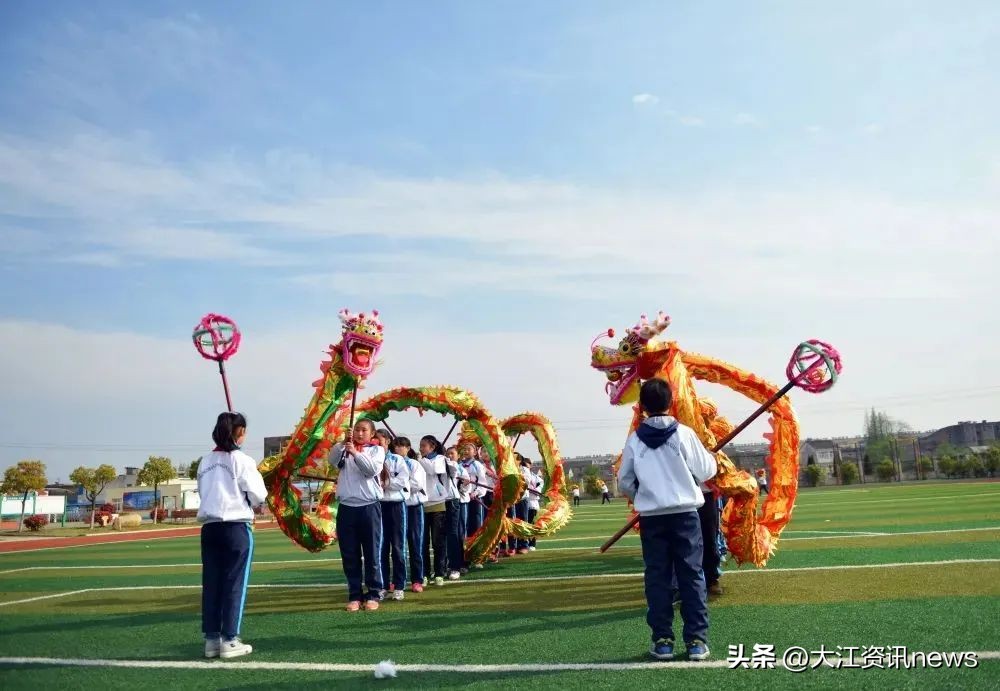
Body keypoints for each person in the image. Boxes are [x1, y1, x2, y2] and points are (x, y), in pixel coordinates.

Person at [618, 378, 717, 662]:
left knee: (657, 577)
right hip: (685, 515)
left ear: (642, 406)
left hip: (652, 518)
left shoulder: (635, 440)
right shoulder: (684, 434)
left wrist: (644, 495)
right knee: (691, 575)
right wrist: (707, 460)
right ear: (671, 402)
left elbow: (624, 481)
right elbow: (706, 470)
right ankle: (696, 640)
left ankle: (663, 640)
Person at [197, 412, 267, 660]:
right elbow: (259, 495)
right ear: (240, 433)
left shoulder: (204, 461)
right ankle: (230, 639)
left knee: (212, 584)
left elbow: (203, 492)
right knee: (234, 583)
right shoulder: (243, 460)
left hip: (210, 528)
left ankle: (211, 640)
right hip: (236, 527)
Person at [332, 419, 386, 612]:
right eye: (356, 430)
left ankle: (373, 594)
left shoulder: (376, 450)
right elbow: (332, 460)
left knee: (372, 553)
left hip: (369, 507)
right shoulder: (344, 448)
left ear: (372, 433)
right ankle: (355, 595)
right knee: (349, 555)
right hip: (347, 507)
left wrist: (355, 453)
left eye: (364, 430)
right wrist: (343, 444)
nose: (359, 433)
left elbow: (370, 470)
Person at [374, 430, 410, 600]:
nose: (376, 443)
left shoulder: (397, 459)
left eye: (379, 440)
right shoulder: (370, 458)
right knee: (380, 547)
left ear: (388, 441)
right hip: (378, 505)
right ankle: (382, 585)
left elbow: (402, 481)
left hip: (396, 505)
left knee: (397, 547)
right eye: (374, 440)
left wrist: (384, 483)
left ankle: (399, 585)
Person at [419, 435, 450, 587]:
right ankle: (424, 573)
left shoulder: (440, 459)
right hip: (422, 503)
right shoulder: (419, 461)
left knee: (438, 541)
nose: (421, 449)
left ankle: (439, 573)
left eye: (423, 446)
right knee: (423, 542)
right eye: (420, 446)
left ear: (432, 447)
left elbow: (432, 470)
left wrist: (421, 460)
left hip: (438, 503)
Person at [397, 437, 426, 593]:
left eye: (401, 446)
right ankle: (398, 579)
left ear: (408, 448)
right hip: (397, 507)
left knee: (415, 543)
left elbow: (417, 484)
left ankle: (417, 579)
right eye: (395, 446)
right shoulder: (391, 462)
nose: (398, 449)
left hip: (413, 507)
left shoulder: (414, 464)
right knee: (398, 545)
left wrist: (398, 484)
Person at [444, 446, 467, 578]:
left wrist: (464, 485)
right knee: (446, 534)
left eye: (452, 453)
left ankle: (460, 564)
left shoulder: (461, 469)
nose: (450, 456)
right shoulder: (443, 465)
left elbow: (467, 487)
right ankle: (447, 564)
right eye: (447, 453)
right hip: (444, 501)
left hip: (460, 502)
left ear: (458, 456)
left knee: (458, 533)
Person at [525, 461, 543, 550]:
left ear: (530, 466)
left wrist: (535, 490)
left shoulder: (535, 477)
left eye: (526, 465)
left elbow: (540, 486)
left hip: (533, 503)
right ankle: (524, 543)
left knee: (533, 524)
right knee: (525, 523)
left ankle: (532, 543)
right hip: (523, 502)